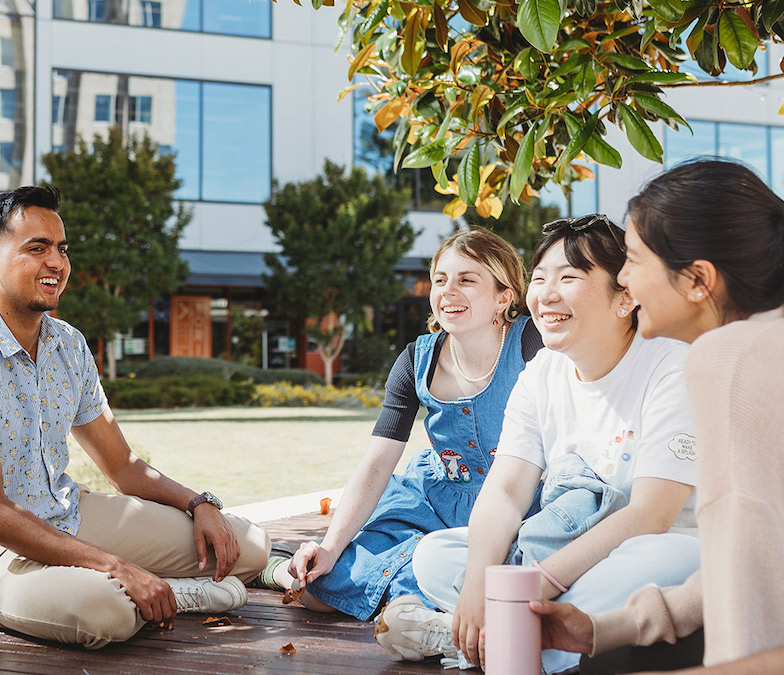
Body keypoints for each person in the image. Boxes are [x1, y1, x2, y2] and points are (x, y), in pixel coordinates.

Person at [0, 186, 270, 649]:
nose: (57, 263)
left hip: (67, 518)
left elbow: (123, 466)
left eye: (61, 249)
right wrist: (114, 565)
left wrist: (198, 504)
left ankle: (150, 589)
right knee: (104, 611)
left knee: (246, 546)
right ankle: (164, 593)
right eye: (36, 248)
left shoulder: (68, 344)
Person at [403, 214, 701, 674]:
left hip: (651, 547)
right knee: (437, 554)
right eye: (539, 278)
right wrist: (478, 585)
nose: (545, 294)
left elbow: (652, 515)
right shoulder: (542, 372)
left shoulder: (670, 367)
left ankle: (480, 639)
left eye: (568, 277)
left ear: (625, 297)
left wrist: (540, 582)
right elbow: (505, 491)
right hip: (563, 544)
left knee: (669, 556)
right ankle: (519, 636)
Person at [531, 159, 784, 674]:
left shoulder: (732, 359)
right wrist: (608, 628)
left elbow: (754, 609)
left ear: (698, 280)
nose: (623, 279)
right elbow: (750, 566)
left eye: (634, 261)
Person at [270, 231, 540, 643]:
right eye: (440, 279)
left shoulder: (532, 344)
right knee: (316, 588)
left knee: (519, 574)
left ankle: (420, 613)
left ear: (504, 296)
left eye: (467, 280)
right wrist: (329, 546)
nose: (448, 291)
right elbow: (378, 462)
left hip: (519, 500)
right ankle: (412, 608)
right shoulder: (417, 358)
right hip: (435, 496)